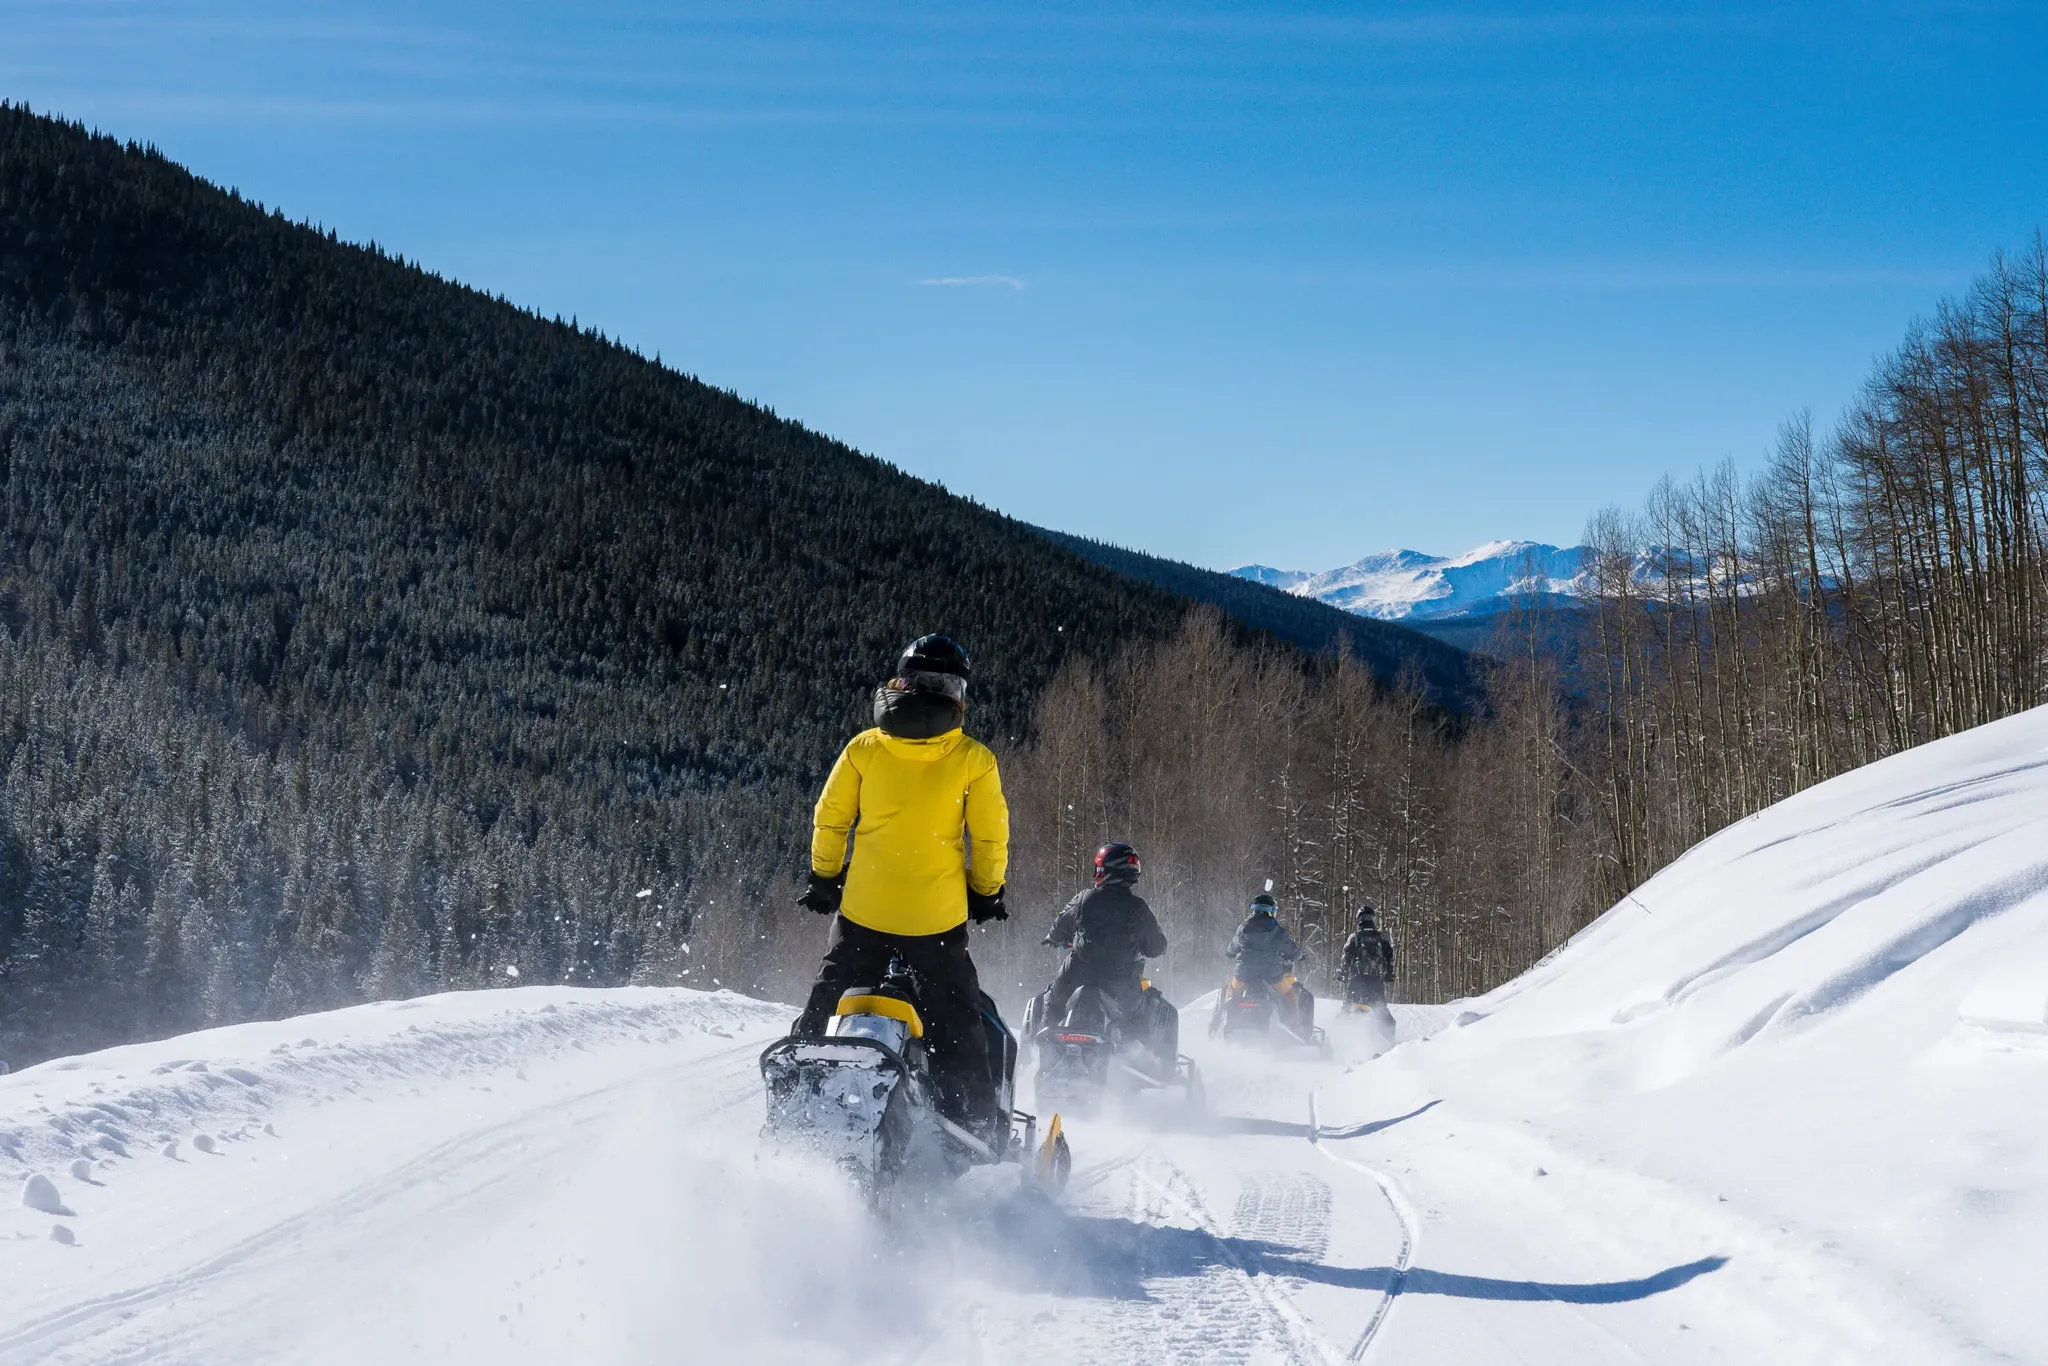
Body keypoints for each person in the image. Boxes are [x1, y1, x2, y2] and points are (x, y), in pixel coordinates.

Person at [793, 634, 1011, 1140]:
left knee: (825, 1001)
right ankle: (972, 1122)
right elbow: (989, 835)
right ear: (958, 693)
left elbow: (830, 820)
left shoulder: (864, 749)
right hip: (935, 923)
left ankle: (797, 1092)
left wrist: (824, 878)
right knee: (958, 1023)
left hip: (862, 915)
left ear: (900, 682)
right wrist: (986, 891)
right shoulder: (973, 759)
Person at [1039, 841, 1177, 1066]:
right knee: (1139, 1022)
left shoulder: (1084, 898)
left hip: (1077, 977)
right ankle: (1148, 1064)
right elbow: (1157, 946)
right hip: (1121, 984)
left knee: (1052, 1002)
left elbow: (1058, 927)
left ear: (1104, 870)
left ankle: (1042, 1050)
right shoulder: (1138, 907)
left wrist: (1054, 939)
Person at [1221, 892, 1314, 1035]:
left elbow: (1233, 946)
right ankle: (1292, 1026)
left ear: (1255, 909)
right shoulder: (1277, 930)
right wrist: (1299, 956)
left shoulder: (1243, 928)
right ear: (1271, 911)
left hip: (1244, 973)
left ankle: (1228, 1021)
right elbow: (1291, 948)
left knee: (1232, 992)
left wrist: (1230, 953)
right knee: (1290, 995)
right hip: (1272, 974)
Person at [1340, 903, 1395, 1010]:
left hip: (1356, 980)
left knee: (1346, 1009)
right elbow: (1390, 957)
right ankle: (1384, 1026)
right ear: (1373, 919)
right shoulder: (1382, 938)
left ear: (1359, 919)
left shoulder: (1354, 937)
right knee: (1382, 1011)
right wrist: (1390, 974)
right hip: (1376, 980)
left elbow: (1345, 957)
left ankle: (1340, 1025)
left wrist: (1343, 973)